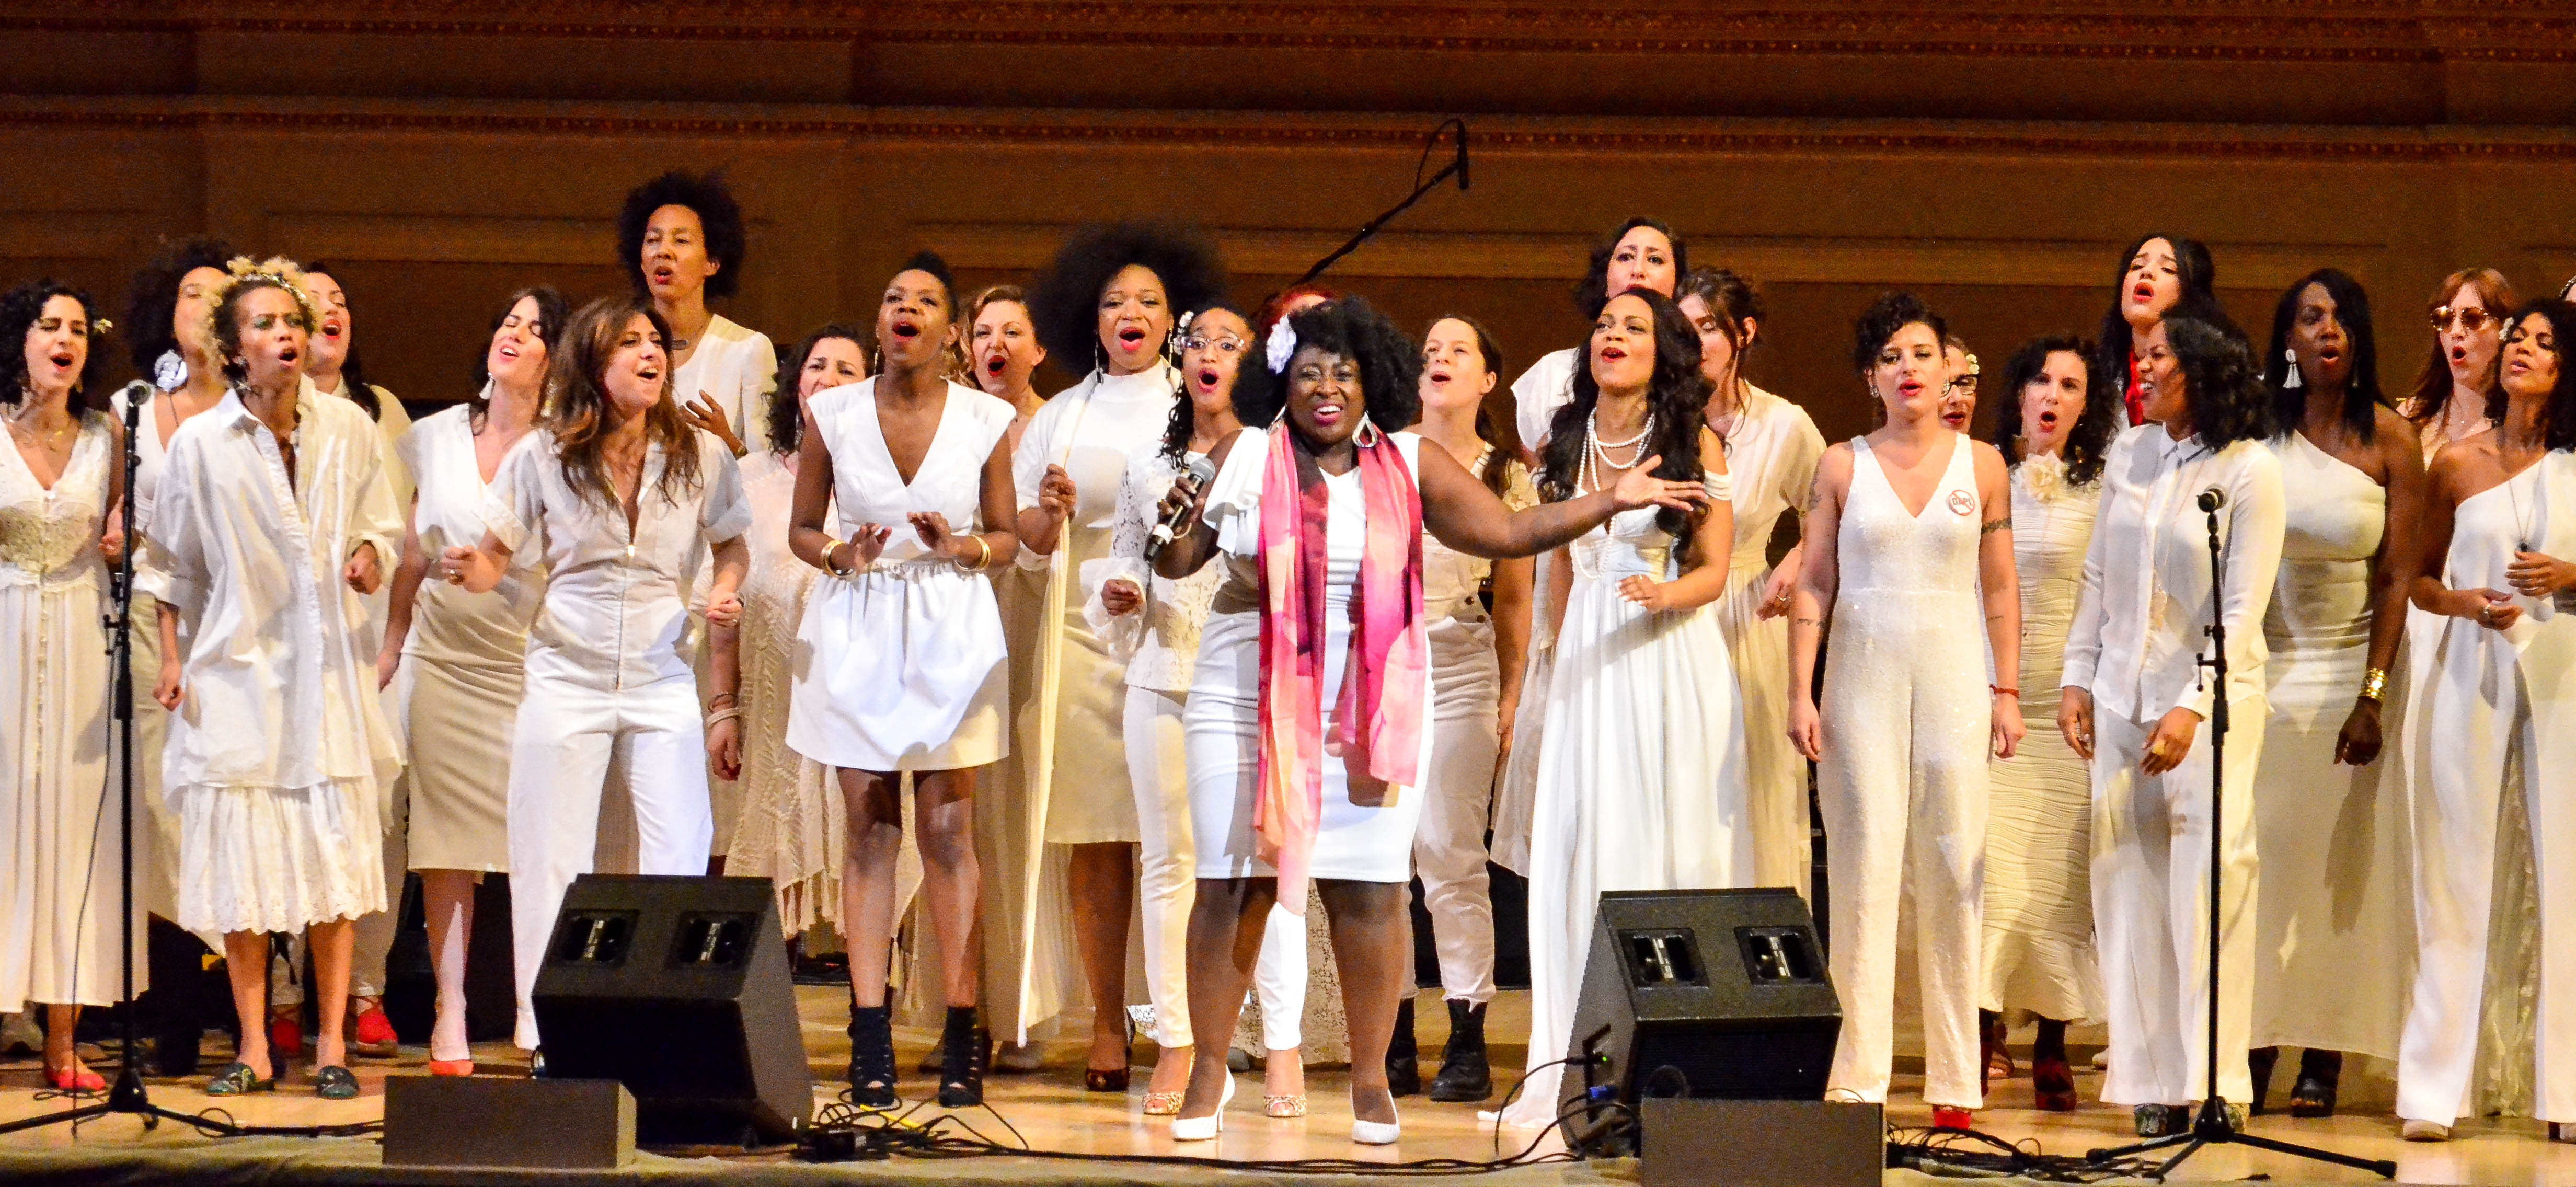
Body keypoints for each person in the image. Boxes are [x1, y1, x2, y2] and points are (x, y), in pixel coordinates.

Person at [1156, 296, 1708, 1144]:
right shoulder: (1243, 453)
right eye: (1307, 373)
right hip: (1247, 696)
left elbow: (1511, 531)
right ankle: (1203, 1072)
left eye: (1343, 371)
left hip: (1371, 700)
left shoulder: (1409, 460)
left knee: (1371, 889)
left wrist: (1609, 500)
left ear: (1372, 379)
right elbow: (1174, 557)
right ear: (1281, 386)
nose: (1326, 386)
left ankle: (1372, 1081)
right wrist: (1189, 473)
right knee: (1235, 884)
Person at [438, 295, 750, 1054]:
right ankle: (548, 1026)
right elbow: (496, 558)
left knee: (680, 843)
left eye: (657, 344)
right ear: (593, 361)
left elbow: (733, 542)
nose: (651, 354)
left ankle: (669, 1019)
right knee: (551, 854)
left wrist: (722, 587)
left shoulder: (701, 454)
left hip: (661, 674)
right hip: (566, 675)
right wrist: (473, 568)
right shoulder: (543, 455)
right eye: (630, 343)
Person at [144, 257, 405, 1100]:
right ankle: (255, 1042)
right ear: (230, 349)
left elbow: (380, 525)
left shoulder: (350, 429)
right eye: (262, 324)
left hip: (327, 673)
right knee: (245, 867)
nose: (285, 334)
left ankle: (330, 1038)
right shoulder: (199, 446)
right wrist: (175, 660)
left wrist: (370, 554)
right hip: (238, 676)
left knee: (333, 862)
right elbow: (173, 565)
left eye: (290, 321)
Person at [1500, 288, 1754, 1130]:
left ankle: (1672, 1060)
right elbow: (1559, 562)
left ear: (1666, 352)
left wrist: (1662, 593)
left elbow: (1717, 569)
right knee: (1583, 837)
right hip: (1586, 659)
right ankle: (1579, 1063)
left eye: (1635, 327)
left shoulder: (1694, 440)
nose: (1613, 335)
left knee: (1659, 838)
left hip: (1668, 654)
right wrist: (1551, 654)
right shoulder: (1567, 441)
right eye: (1605, 324)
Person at [785, 255, 1017, 1109]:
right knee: (870, 827)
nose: (904, 309)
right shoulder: (834, 412)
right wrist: (840, 554)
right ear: (879, 321)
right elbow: (805, 528)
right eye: (892, 298)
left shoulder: (986, 418)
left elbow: (1006, 536)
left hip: (950, 625)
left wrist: (963, 547)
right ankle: (868, 1029)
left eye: (924, 301)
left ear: (948, 330)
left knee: (948, 828)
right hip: (859, 622)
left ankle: (961, 1031)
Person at [1789, 292, 2021, 1130]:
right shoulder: (1842, 465)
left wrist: (2007, 689)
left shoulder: (1984, 463)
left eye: (1923, 353)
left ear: (1949, 368)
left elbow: (2000, 584)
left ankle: (1958, 1074)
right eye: (1892, 356)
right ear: (1870, 377)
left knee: (1957, 864)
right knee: (1861, 869)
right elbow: (1814, 579)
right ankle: (1859, 1073)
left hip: (1957, 672)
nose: (1910, 368)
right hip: (1861, 678)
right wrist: (1799, 690)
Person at [2061, 315, 2286, 1138]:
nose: (2143, 368)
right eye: (2142, 355)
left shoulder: (2251, 468)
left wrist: (2195, 700)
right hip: (2120, 695)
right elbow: (2099, 575)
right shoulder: (2131, 450)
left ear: (2204, 370)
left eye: (2160, 357)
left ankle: (2218, 1075)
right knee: (2129, 887)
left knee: (2210, 884)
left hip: (2209, 707)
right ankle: (2149, 1074)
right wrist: (2076, 677)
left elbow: (2242, 609)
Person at [1014, 222, 1224, 1088]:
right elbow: (1023, 544)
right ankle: (1108, 1023)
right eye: (1111, 303)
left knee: (1181, 837)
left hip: (1184, 635)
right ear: (1087, 321)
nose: (1127, 313)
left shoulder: (1208, 406)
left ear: (1177, 320)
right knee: (1099, 840)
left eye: (1146, 301)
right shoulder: (1061, 418)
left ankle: (1189, 1022)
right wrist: (1049, 516)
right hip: (1082, 641)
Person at [1091, 302, 1312, 1116]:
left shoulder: (1277, 457)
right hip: (1162, 668)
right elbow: (1128, 566)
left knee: (1267, 861)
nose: (1209, 354)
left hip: (1255, 674)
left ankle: (1281, 1039)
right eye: (1198, 343)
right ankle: (1178, 1039)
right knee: (1168, 862)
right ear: (1181, 362)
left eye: (1229, 343)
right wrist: (1121, 591)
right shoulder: (1153, 468)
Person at [2395, 299, 2576, 1144]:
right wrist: (2462, 603)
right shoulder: (2456, 463)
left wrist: (2568, 573)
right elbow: (2417, 580)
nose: (2522, 350)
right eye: (2519, 337)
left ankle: (2568, 1095)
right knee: (2452, 879)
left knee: (2568, 883)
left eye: (2545, 342)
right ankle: (2432, 1092)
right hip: (2468, 668)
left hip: (2563, 674)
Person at [374, 286, 568, 1076]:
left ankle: (532, 1003)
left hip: (530, 663)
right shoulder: (435, 436)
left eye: (535, 327)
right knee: (445, 846)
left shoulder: (564, 446)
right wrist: (391, 644)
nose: (514, 333)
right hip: (442, 659)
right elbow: (412, 554)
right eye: (507, 320)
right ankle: (448, 1007)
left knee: (533, 843)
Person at [2246, 269, 2424, 1117]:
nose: (2326, 331)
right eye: (2308, 318)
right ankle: (2248, 1045)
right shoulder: (2251, 436)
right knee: (2260, 870)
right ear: (2284, 337)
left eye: (2339, 318)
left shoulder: (2390, 438)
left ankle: (2320, 1057)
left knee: (2333, 877)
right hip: (2262, 676)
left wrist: (2373, 696)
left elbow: (2395, 578)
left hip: (2347, 675)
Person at [1388, 315, 1537, 1103]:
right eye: (1429, 349)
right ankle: (1393, 1033)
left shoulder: (1507, 470)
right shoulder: (1379, 453)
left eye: (1459, 350)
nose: (1439, 357)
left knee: (1449, 850)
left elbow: (1516, 594)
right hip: (1379, 670)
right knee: (1381, 862)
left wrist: (1513, 691)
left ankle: (1469, 1032)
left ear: (1488, 379)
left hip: (1461, 666)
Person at [1977, 334, 2116, 1111]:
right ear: (2020, 393)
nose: (2054, 394)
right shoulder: (1981, 472)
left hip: (2065, 708)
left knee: (2057, 882)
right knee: (1990, 875)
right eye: (2041, 379)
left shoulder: (2100, 490)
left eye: (2071, 383)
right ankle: (1984, 1025)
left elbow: (2106, 599)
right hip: (1992, 698)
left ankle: (2056, 1040)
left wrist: (2086, 686)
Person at [0, 281, 132, 1092]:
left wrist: (122, 539)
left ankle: (63, 1036)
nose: (65, 339)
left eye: (78, 328)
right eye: (49, 326)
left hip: (84, 636)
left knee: (72, 825)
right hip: (6, 625)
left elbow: (124, 530)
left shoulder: (108, 434)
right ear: (19, 340)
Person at [284, 261, 415, 1062]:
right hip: (278, 649)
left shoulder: (380, 413)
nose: (333, 311)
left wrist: (394, 635)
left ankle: (363, 987)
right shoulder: (252, 420)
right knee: (282, 813)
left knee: (370, 817)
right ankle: (285, 995)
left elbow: (401, 536)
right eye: (313, 301)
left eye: (342, 301)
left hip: (362, 647)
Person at [115, 235, 236, 1076]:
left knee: (226, 814)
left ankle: (249, 1007)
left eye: (220, 297)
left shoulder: (256, 408)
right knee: (162, 823)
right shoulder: (131, 407)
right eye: (193, 294)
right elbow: (112, 510)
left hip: (232, 635)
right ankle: (177, 1014)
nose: (205, 307)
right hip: (146, 635)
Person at [1680, 267, 1825, 896]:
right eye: (1683, 328)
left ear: (1743, 333)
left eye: (1708, 327)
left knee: (1753, 789)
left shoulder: (1783, 423)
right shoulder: (1656, 416)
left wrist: (1793, 561)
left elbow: (1834, 508)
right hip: (1673, 610)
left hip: (1744, 614)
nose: (1695, 342)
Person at [724, 324, 865, 932]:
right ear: (795, 382)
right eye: (816, 366)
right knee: (767, 849)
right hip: (772, 707)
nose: (827, 379)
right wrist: (721, 707)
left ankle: (870, 1011)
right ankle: (763, 1018)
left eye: (846, 370)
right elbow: (724, 596)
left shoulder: (880, 483)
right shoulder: (748, 478)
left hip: (856, 710)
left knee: (868, 845)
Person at [1512, 217, 1686, 447]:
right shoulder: (1553, 373)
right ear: (1605, 280)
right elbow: (1538, 474)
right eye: (1625, 257)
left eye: (1655, 259)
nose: (1638, 270)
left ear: (1678, 286)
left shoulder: (1692, 374)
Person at [2094, 234, 2233, 427]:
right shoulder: (2093, 376)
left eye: (2168, 269)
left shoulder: (2219, 383)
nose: (2147, 272)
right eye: (2137, 266)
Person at [2402, 269, 2519, 466]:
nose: (2456, 332)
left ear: (2505, 330)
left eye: (2472, 319)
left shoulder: (2522, 421)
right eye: (2446, 319)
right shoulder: (2413, 416)